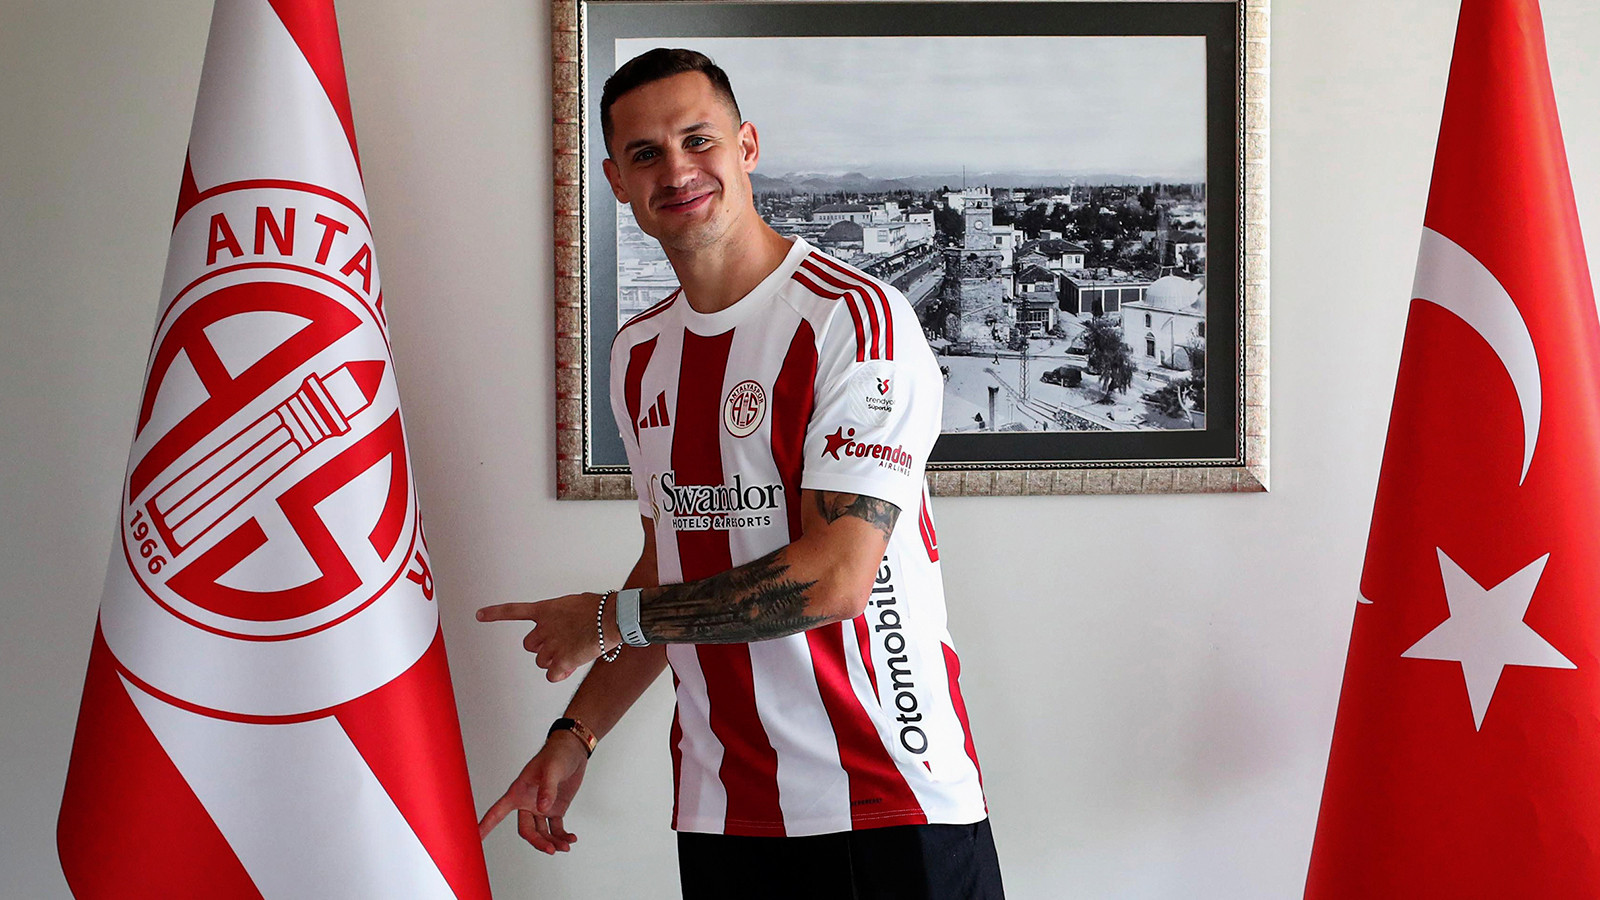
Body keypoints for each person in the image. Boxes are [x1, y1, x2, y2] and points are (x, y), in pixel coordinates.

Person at [477, 48, 1003, 899]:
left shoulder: (854, 321)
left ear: (747, 146)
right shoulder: (637, 354)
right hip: (723, 807)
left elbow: (836, 578)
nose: (676, 170)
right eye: (645, 153)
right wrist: (575, 736)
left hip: (885, 798)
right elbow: (671, 565)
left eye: (698, 140)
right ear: (617, 181)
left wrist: (608, 620)